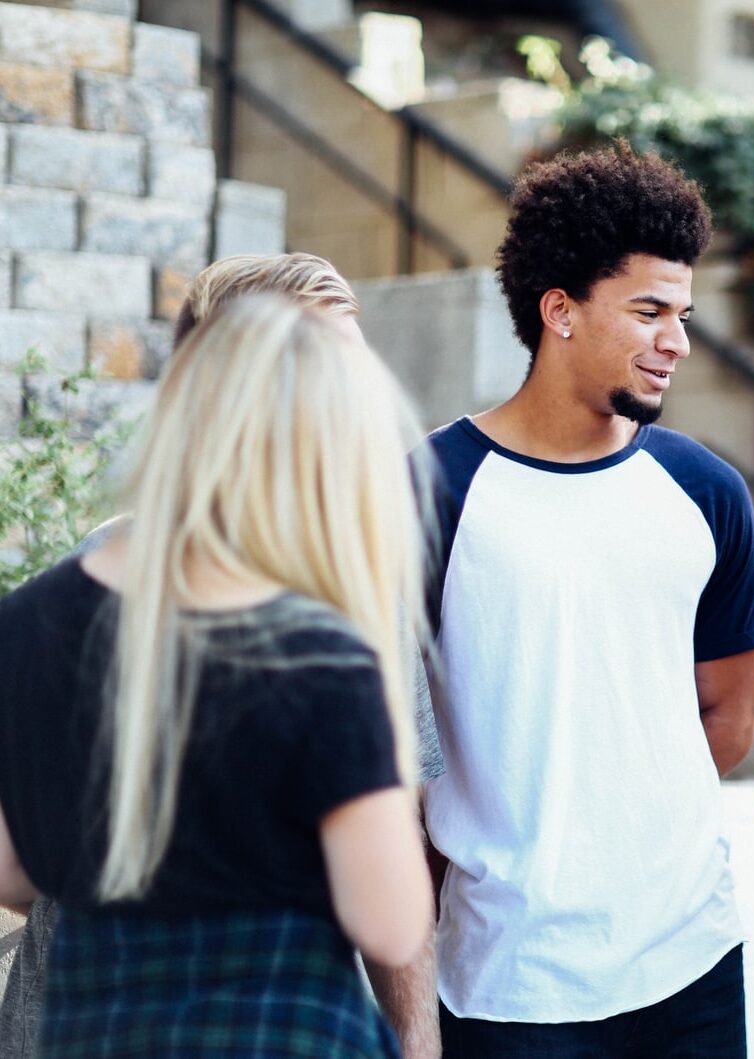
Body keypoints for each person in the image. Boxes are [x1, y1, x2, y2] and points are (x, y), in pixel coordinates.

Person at [0, 252, 444, 1059]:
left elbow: (11, 874)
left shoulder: (42, 608)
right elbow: (390, 910)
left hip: (81, 1029)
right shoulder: (339, 612)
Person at [402, 143, 754, 1056]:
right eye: (649, 311)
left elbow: (729, 716)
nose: (676, 342)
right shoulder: (432, 486)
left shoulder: (706, 491)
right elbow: (393, 741)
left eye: (682, 315)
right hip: (506, 974)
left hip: (688, 953)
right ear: (558, 309)